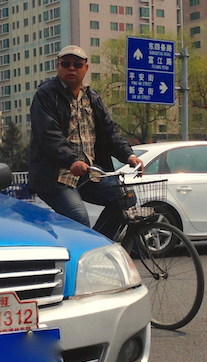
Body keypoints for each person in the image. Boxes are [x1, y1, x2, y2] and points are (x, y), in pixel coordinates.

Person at [28, 44, 143, 228]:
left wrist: (129, 155)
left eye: (77, 64)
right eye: (66, 64)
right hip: (56, 177)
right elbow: (49, 135)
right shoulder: (46, 95)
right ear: (58, 66)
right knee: (79, 218)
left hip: (90, 174)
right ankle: (83, 252)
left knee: (126, 199)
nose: (72, 68)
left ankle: (99, 248)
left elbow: (110, 131)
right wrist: (72, 160)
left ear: (86, 68)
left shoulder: (93, 98)